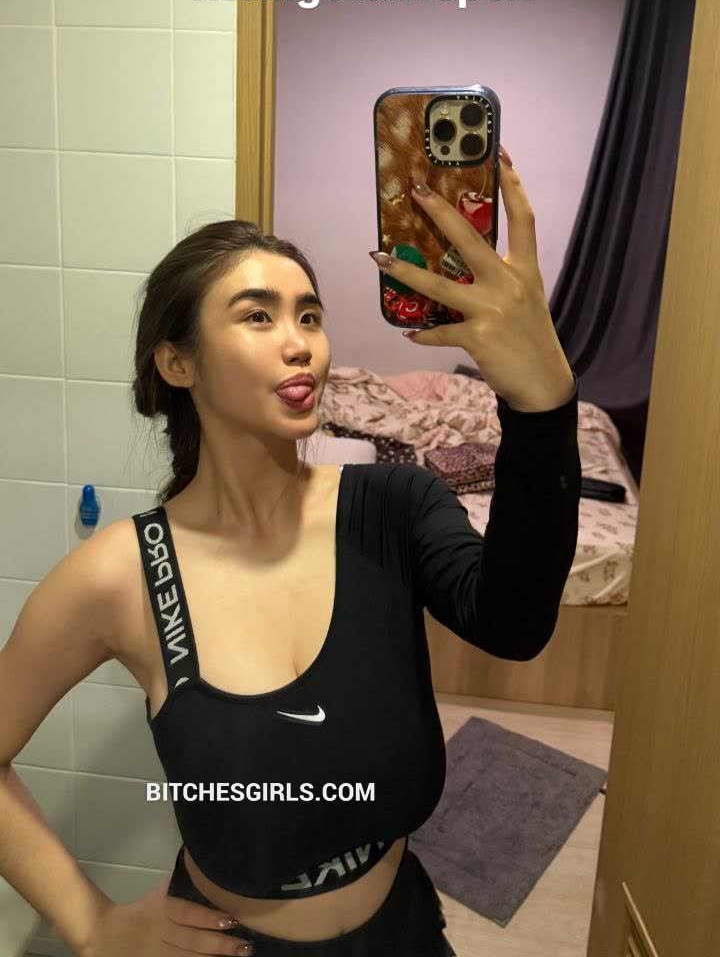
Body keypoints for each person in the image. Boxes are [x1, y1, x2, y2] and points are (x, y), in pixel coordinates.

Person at [0, 146, 580, 957]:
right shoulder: (119, 578)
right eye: (257, 316)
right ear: (177, 363)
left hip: (404, 938)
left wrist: (543, 405)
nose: (300, 342)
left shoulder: (393, 507)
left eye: (309, 316)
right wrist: (93, 925)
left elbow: (516, 624)